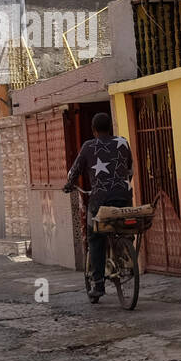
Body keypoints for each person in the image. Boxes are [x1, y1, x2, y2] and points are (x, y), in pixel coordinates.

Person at [62, 111, 134, 303]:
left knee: (95, 237)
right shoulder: (123, 142)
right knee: (125, 226)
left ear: (94, 130)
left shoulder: (88, 146)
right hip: (124, 197)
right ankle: (126, 253)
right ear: (110, 127)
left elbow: (74, 172)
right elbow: (130, 168)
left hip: (100, 200)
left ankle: (99, 284)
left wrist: (69, 185)